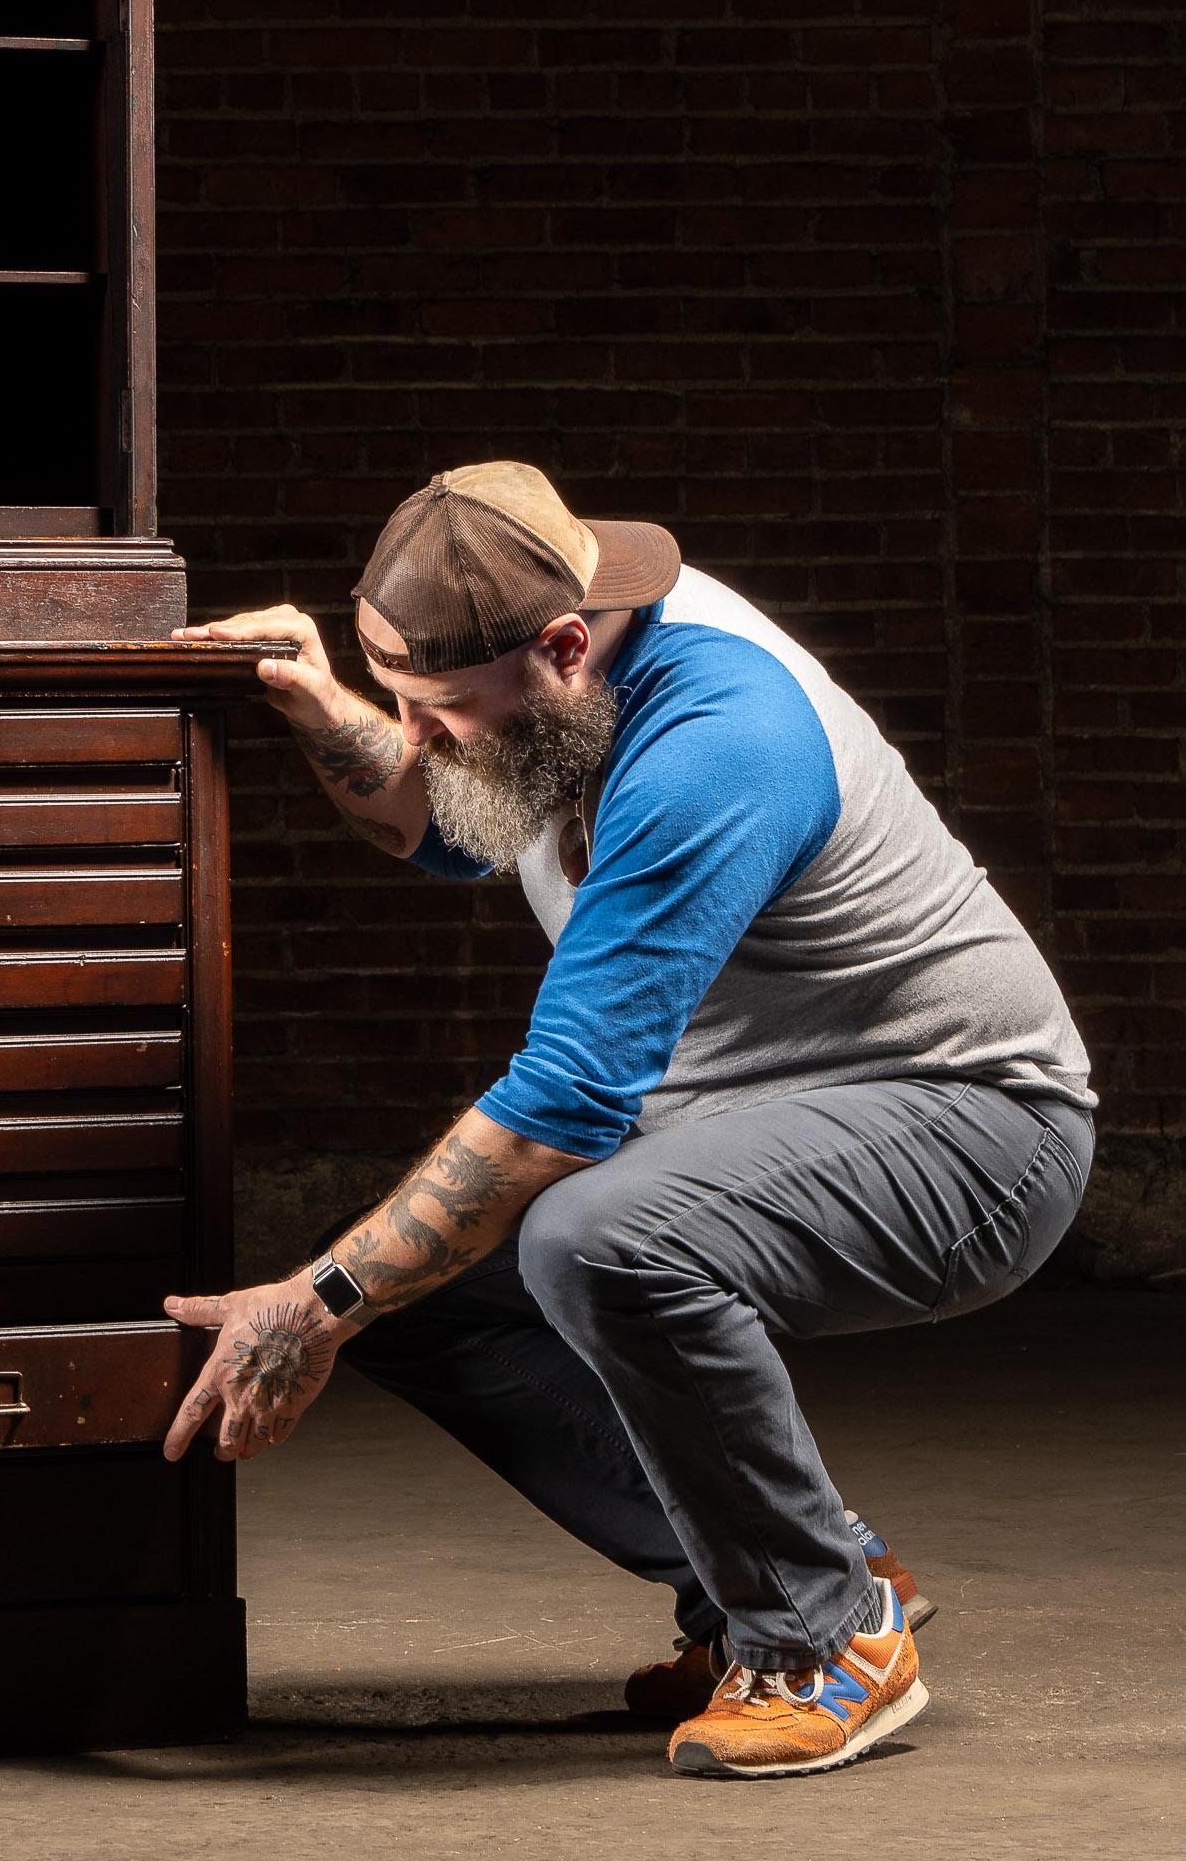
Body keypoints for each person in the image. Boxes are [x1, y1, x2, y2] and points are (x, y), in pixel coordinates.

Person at [165, 462, 1095, 1780]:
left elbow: (561, 1108)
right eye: (398, 701)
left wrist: (312, 1306)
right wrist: (317, 699)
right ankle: (785, 1574)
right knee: (426, 1291)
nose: (414, 735)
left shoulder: (715, 742)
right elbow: (440, 825)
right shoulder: (560, 676)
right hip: (759, 1112)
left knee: (588, 1237)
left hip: (976, 1131)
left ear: (560, 646)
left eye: (436, 712)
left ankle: (828, 1637)